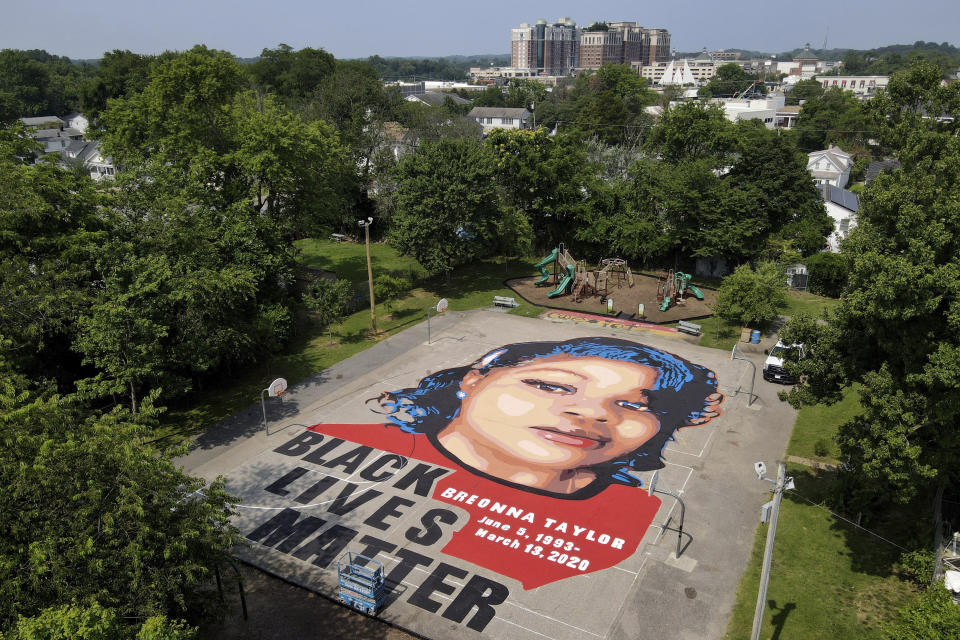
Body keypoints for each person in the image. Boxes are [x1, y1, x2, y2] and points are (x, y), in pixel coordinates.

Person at [375, 336, 723, 498]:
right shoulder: (361, 441)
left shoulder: (643, 512)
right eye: (553, 387)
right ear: (474, 378)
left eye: (634, 406)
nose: (592, 413)